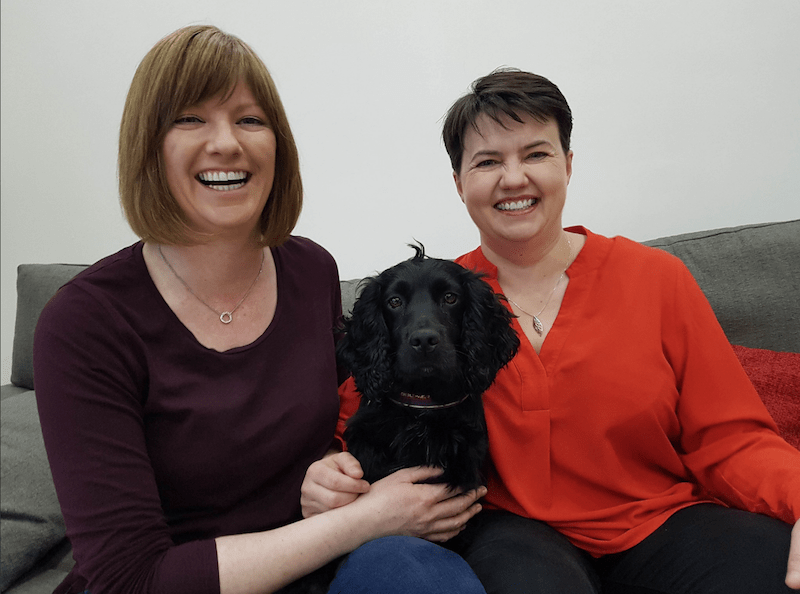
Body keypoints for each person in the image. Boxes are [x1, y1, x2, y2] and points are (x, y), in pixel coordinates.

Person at [305, 69, 800, 593]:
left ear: (567, 164)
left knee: (769, 573)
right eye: (488, 161)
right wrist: (327, 471)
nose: (513, 178)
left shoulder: (658, 279)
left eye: (535, 154)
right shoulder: (441, 300)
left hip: (664, 523)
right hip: (514, 533)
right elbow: (358, 416)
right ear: (459, 183)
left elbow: (731, 439)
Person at [33, 25, 487, 594]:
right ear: (147, 145)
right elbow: (130, 579)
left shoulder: (311, 272)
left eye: (249, 119)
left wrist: (330, 470)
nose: (227, 143)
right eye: (189, 118)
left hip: (317, 568)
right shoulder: (83, 323)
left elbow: (319, 420)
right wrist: (363, 519)